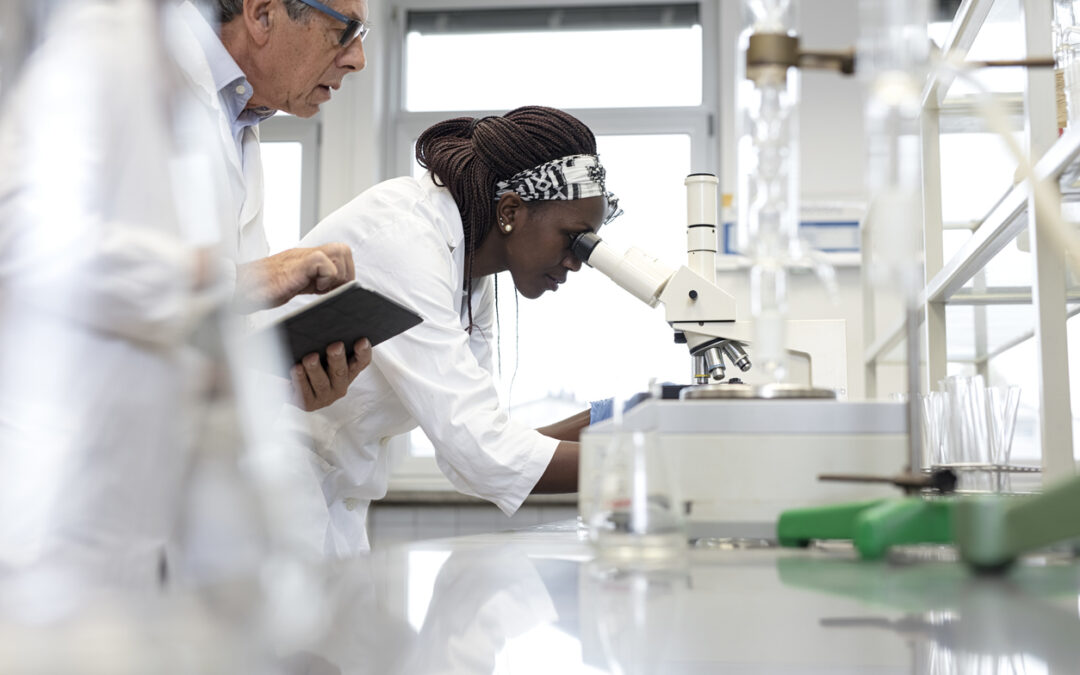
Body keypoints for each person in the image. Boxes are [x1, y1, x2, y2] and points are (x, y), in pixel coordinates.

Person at [269, 106, 621, 554]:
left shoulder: (472, 276)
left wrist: (610, 421)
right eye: (573, 238)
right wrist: (646, 461)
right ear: (511, 210)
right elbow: (478, 452)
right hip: (264, 486)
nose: (577, 262)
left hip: (328, 498)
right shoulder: (405, 238)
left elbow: (473, 446)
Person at [172, 0, 374, 410]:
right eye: (346, 30)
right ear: (263, 14)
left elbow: (208, 332)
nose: (358, 60)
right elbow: (71, 260)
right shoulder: (136, 70)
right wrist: (249, 280)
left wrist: (282, 388)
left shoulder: (241, 114)